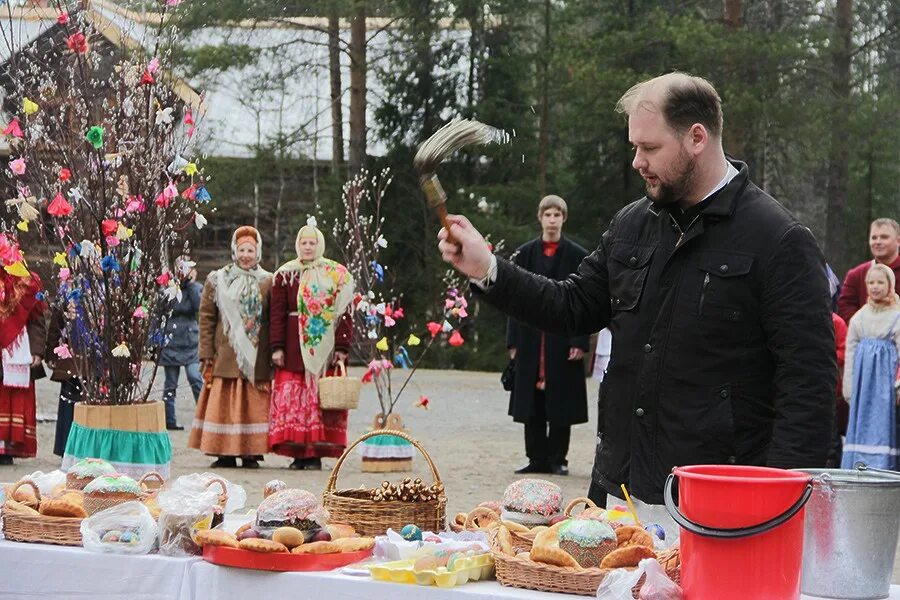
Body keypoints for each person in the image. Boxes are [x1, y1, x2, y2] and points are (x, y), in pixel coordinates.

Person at [437, 72, 835, 504]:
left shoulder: (778, 239)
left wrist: (774, 501)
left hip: (719, 501)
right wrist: (487, 268)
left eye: (649, 148)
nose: (637, 162)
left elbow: (808, 388)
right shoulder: (632, 224)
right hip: (619, 492)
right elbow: (570, 305)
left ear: (697, 137)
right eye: (634, 147)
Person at [507, 195, 589, 476]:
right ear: (540, 218)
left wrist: (579, 340)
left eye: (557, 214)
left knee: (561, 400)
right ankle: (536, 458)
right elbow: (512, 297)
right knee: (532, 400)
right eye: (548, 214)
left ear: (563, 218)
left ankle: (558, 458)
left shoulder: (578, 256)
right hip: (531, 337)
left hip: (563, 337)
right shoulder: (525, 254)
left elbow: (584, 299)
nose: (552, 219)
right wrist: (513, 340)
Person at [268, 224, 354, 470]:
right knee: (296, 401)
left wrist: (342, 347)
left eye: (312, 243)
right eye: (303, 243)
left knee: (319, 399)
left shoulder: (337, 274)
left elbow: (345, 311)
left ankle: (315, 453)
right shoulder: (285, 275)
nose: (307, 247)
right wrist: (277, 347)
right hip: (293, 346)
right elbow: (277, 314)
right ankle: (298, 453)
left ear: (320, 245)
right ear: (297, 245)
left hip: (324, 348)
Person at [189, 227, 273, 469]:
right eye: (242, 250)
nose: (246, 255)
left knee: (252, 406)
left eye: (251, 250)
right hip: (224, 354)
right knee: (223, 405)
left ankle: (251, 453)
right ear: (234, 252)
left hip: (255, 355)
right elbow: (206, 318)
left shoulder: (268, 281)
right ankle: (223, 452)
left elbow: (271, 319)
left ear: (258, 253)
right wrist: (205, 353)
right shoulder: (217, 280)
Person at [841, 263, 900, 470]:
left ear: (890, 284)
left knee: (882, 425)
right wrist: (848, 386)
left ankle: (883, 466)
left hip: (885, 382)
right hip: (864, 383)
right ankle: (859, 465)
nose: (875, 287)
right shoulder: (859, 318)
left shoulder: (896, 316)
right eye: (871, 282)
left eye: (880, 282)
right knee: (862, 422)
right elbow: (850, 350)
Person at [0, 235, 47, 465]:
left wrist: (38, 350)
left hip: (17, 350)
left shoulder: (27, 281)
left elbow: (38, 319)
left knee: (13, 398)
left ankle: (9, 447)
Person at [159, 256, 204, 431]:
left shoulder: (197, 288)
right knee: (170, 383)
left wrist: (191, 285)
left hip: (190, 340)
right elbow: (161, 309)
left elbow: (198, 307)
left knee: (195, 377)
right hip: (171, 340)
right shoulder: (168, 289)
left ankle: (204, 417)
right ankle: (169, 420)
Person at [837, 218, 900, 323]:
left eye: (884, 237)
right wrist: (868, 327)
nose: (878, 242)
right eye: (874, 238)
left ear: (898, 241)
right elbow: (845, 307)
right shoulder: (856, 275)